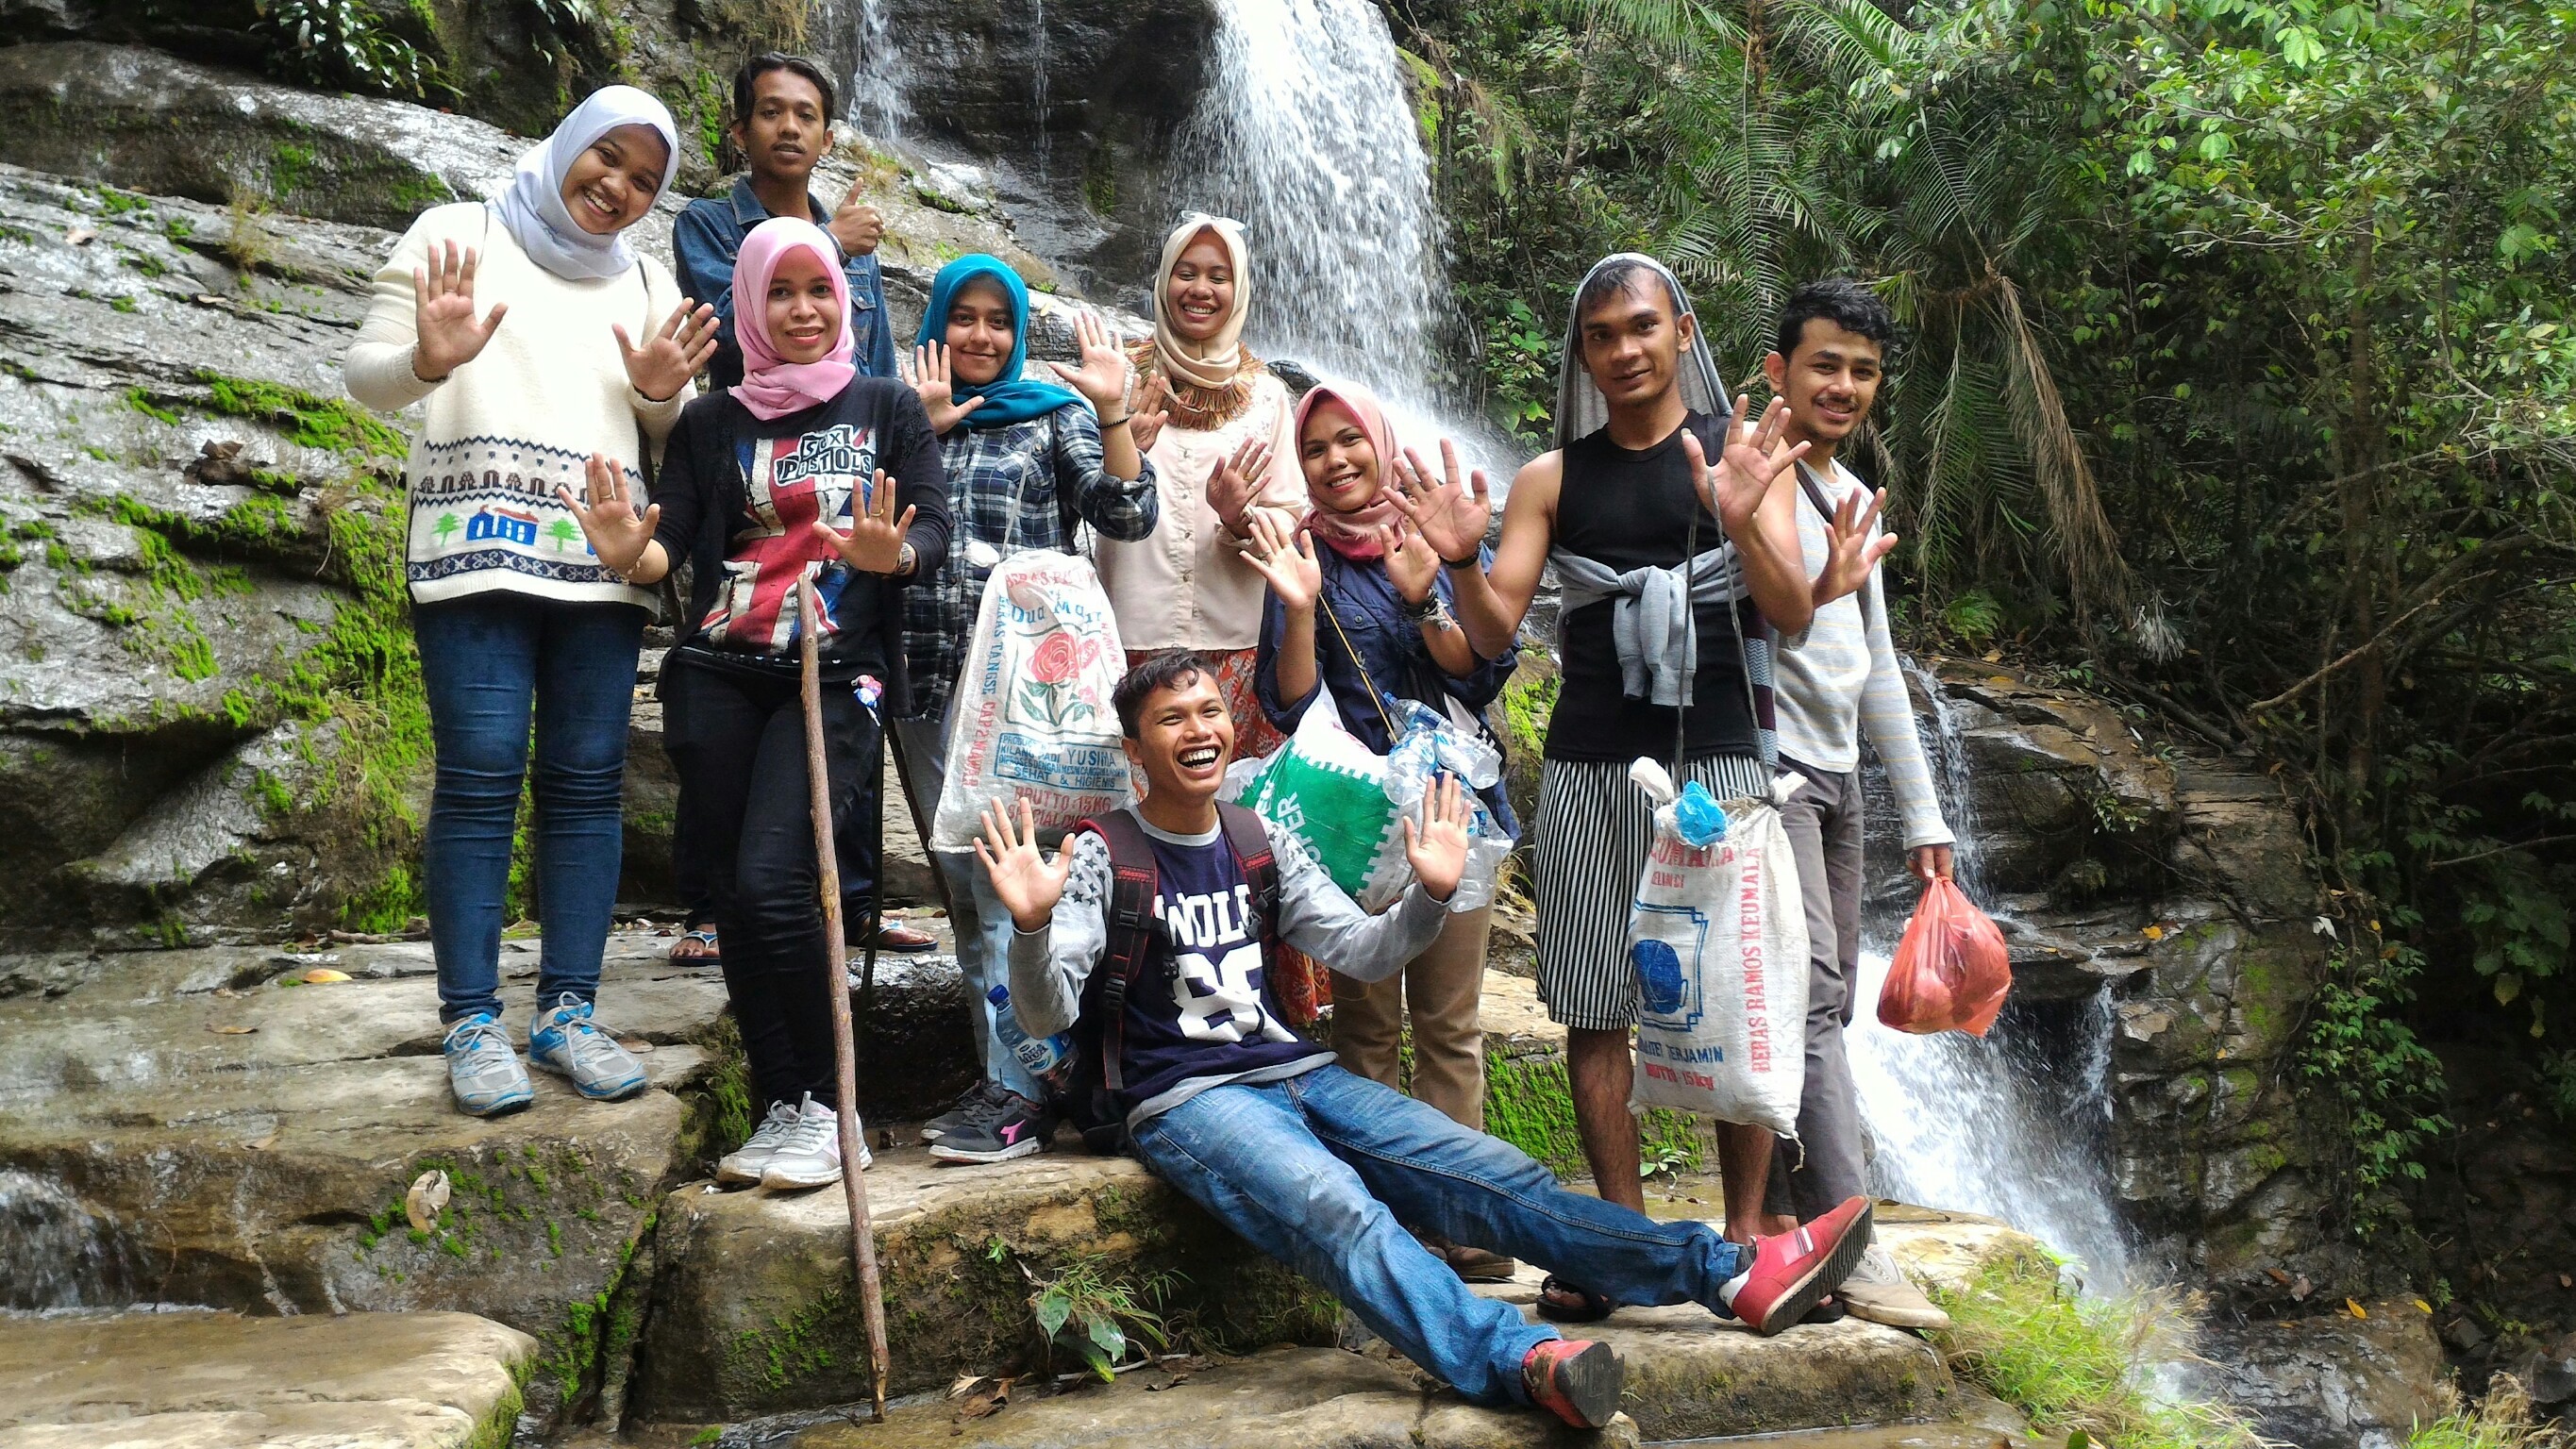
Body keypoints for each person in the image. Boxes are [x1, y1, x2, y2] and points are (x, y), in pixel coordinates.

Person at [973, 652, 1876, 1430]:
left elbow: (1364, 948)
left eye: (1211, 710)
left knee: (1495, 1175)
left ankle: (1727, 1275)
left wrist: (1430, 898)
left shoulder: (1255, 836)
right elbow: (1050, 1017)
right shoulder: (1103, 853)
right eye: (1171, 719)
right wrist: (1029, 929)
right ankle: (1521, 1359)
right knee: (1340, 1212)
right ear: (1137, 751)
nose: (1199, 729)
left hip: (1294, 1073)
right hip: (1183, 1102)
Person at [1387, 253, 1882, 1321]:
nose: (1623, 350)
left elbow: (1790, 611)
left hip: (1722, 758)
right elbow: (1487, 633)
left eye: (1641, 328)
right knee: (1593, 1000)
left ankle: (1748, 1234)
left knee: (1740, 994)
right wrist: (1463, 561)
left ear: (1681, 329)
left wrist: (1747, 512)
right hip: (1587, 763)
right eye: (1602, 336)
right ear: (1585, 353)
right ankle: (1615, 1241)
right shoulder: (1550, 481)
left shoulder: (1742, 453)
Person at [556, 216, 950, 1190]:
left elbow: (931, 528)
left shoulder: (887, 404)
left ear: (846, 298)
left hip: (834, 674)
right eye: (782, 292)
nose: (805, 310)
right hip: (723, 672)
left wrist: (888, 555)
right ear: (751, 304)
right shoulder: (711, 422)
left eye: (821, 289)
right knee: (736, 898)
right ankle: (784, 1106)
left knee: (779, 881)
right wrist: (625, 556)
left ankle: (832, 1108)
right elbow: (672, 545)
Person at [345, 86, 715, 1119]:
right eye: (610, 160)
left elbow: (667, 433)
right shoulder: (453, 235)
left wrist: (655, 391)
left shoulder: (644, 282)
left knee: (588, 783)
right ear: (567, 147)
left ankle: (566, 1013)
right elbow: (364, 379)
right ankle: (470, 1020)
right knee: (478, 776)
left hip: (600, 565)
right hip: (472, 557)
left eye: (648, 179)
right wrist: (430, 358)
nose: (621, 188)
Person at [1244, 379, 1521, 1280]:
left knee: (1449, 1024)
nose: (1335, 461)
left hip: (1450, 814)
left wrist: (1422, 597)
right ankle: (1389, 1219)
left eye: (1347, 441)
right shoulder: (1300, 561)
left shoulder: (1430, 540)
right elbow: (1288, 705)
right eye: (1315, 448)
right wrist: (1297, 603)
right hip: (1353, 825)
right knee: (1365, 1028)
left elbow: (1478, 678)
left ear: (1378, 440)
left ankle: (1468, 1219)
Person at [889, 255, 1161, 1165]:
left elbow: (1126, 511)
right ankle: (1006, 1072)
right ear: (935, 324)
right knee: (970, 901)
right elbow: (870, 536)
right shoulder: (900, 415)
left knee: (1016, 895)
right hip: (926, 690)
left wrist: (1114, 410)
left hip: (1022, 708)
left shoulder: (1052, 418)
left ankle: (1025, 1095)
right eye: (960, 317)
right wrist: (916, 439)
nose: (978, 336)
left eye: (996, 320)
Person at [669, 52, 927, 966]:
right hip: (752, 490)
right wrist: (831, 237)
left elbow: (873, 361)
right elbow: (733, 327)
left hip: (847, 487)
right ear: (738, 129)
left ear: (825, 133)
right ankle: (718, 906)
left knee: (842, 687)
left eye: (806, 113)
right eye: (769, 112)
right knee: (740, 728)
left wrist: (899, 436)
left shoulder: (842, 244)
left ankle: (849, 906)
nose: (788, 127)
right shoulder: (713, 224)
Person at [1743, 279, 1954, 1330]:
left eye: (1864, 372)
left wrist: (1924, 815)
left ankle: (1794, 1224)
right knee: (1815, 991)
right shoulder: (1752, 475)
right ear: (1779, 370)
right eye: (1826, 364)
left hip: (1836, 775)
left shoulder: (1852, 491)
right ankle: (1848, 1237)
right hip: (1767, 766)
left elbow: (1876, 665)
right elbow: (1755, 625)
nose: (1845, 386)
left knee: (1812, 996)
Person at [1094, 214, 1305, 757]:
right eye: (1186, 273)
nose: (1201, 290)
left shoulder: (1266, 397)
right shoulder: (1115, 381)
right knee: (1138, 803)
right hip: (1129, 636)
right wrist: (1123, 448)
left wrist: (1240, 519)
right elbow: (1075, 499)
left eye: (1219, 276)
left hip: (1235, 644)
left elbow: (1291, 517)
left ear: (1239, 292)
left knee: (1229, 806)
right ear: (1164, 282)